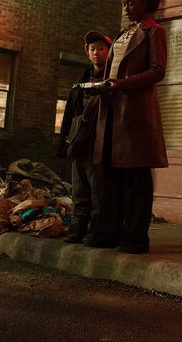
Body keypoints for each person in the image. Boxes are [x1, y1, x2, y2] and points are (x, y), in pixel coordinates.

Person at [90, 0, 168, 254]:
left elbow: (158, 71)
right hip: (112, 112)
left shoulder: (153, 31)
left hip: (134, 115)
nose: (125, 8)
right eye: (123, 3)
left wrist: (123, 84)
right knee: (110, 174)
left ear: (145, 2)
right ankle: (110, 232)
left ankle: (135, 236)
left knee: (135, 176)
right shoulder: (123, 34)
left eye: (131, 3)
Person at [57, 30, 112, 243]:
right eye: (92, 49)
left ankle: (98, 231)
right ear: (87, 53)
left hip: (101, 142)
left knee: (99, 188)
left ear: (108, 51)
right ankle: (78, 228)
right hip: (80, 141)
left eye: (100, 48)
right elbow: (70, 112)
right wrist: (62, 143)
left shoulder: (112, 76)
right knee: (79, 188)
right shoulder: (82, 77)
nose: (96, 52)